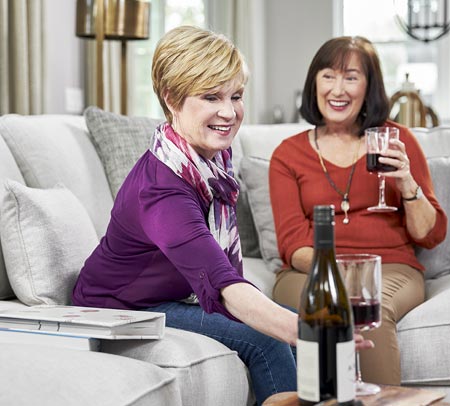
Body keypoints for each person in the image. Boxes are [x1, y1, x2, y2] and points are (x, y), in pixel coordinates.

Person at [269, 35, 447, 386]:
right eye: (328, 76)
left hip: (390, 267)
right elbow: (293, 243)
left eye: (351, 77)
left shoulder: (398, 141)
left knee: (369, 308)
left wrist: (407, 182)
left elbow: (431, 234)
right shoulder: (287, 155)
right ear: (314, 83)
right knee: (338, 303)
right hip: (312, 271)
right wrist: (342, 275)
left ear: (369, 86)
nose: (338, 89)